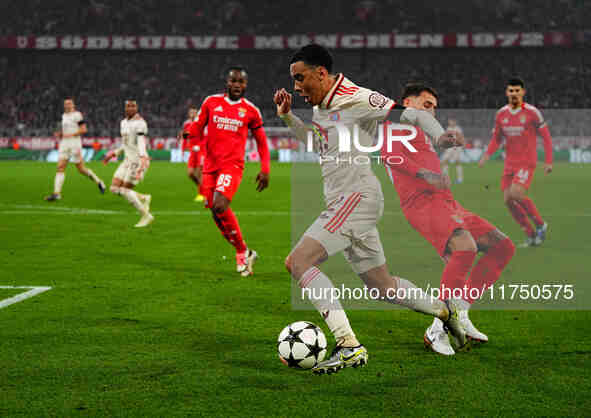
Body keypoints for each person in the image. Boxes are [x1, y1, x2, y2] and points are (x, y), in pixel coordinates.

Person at [275, 44, 467, 374]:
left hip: (355, 197)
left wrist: (438, 135)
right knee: (384, 287)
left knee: (298, 261)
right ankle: (445, 311)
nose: (295, 86)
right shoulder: (322, 105)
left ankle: (349, 345)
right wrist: (288, 117)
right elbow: (316, 145)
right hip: (346, 201)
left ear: (321, 73)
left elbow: (413, 114)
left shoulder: (356, 97)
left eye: (299, 78)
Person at [382, 83, 515, 355]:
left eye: (435, 106)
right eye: (426, 104)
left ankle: (461, 311)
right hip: (421, 203)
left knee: (503, 247)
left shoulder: (424, 131)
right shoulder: (393, 124)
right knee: (465, 248)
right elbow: (389, 156)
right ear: (407, 102)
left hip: (447, 202)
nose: (432, 109)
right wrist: (424, 174)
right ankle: (438, 328)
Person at [186, 67, 270, 276]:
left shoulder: (251, 110)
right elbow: (196, 127)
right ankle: (244, 251)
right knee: (214, 210)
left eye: (241, 82)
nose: (237, 85)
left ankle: (241, 252)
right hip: (210, 166)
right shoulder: (211, 102)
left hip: (232, 165)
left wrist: (265, 169)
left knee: (220, 204)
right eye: (234, 81)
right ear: (227, 82)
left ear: (245, 85)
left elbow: (261, 142)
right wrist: (187, 137)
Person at [479, 77, 553, 247]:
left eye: (517, 90)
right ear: (507, 93)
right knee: (508, 200)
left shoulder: (532, 112)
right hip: (509, 164)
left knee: (516, 194)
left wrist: (549, 161)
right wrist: (487, 154)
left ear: (523, 92)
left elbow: (546, 137)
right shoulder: (501, 114)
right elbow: (496, 139)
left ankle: (541, 224)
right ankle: (531, 233)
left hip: (526, 162)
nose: (514, 93)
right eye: (511, 90)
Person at [103, 100, 153, 228]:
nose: (130, 108)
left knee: (125, 190)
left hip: (137, 160)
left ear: (137, 108)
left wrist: (142, 159)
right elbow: (125, 144)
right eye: (128, 106)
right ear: (125, 108)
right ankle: (144, 198)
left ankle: (146, 215)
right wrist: (113, 153)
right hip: (127, 160)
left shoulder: (140, 123)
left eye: (133, 106)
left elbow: (141, 142)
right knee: (114, 188)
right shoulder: (123, 123)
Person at [45, 97, 105, 201]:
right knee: (60, 167)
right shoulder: (63, 116)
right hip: (64, 143)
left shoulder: (77, 115)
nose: (67, 105)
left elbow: (83, 129)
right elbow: (63, 130)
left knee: (81, 169)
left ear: (73, 105)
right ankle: (56, 193)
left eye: (69, 103)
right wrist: (60, 134)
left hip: (74, 144)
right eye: (66, 104)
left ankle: (99, 182)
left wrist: (70, 134)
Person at [180, 106, 205, 202]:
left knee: (199, 173)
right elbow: (185, 136)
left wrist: (199, 145)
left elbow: (206, 137)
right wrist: (183, 149)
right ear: (189, 114)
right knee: (190, 173)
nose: (193, 114)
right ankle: (203, 188)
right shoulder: (186, 124)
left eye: (195, 112)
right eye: (191, 113)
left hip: (201, 151)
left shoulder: (201, 123)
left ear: (197, 113)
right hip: (192, 151)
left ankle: (201, 194)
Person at [440, 118, 465, 184]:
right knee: (444, 162)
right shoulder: (448, 129)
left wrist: (461, 145)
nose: (450, 122)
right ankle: (446, 178)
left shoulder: (458, 129)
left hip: (457, 147)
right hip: (450, 147)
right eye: (449, 121)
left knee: (457, 162)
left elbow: (461, 137)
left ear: (455, 122)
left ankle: (460, 179)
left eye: (452, 121)